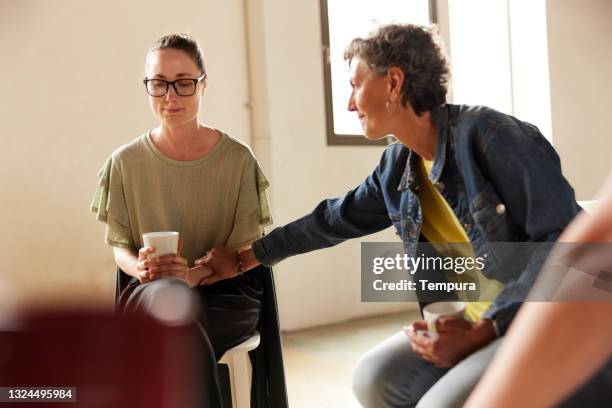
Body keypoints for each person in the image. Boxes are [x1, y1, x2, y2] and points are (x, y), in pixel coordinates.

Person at [197, 23, 580, 407]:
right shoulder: (399, 166)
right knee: (375, 379)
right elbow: (333, 219)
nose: (349, 104)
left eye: (355, 85)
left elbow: (566, 248)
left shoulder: (492, 136)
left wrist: (484, 329)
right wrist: (248, 256)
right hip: (468, 321)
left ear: (394, 83)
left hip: (539, 321)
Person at [90, 33, 273, 407]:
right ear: (148, 86)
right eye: (158, 84)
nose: (170, 96)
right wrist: (141, 269)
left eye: (184, 83)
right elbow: (119, 248)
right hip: (151, 292)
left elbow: (243, 251)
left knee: (174, 331)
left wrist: (190, 276)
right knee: (170, 313)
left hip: (225, 294)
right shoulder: (125, 163)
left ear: (203, 85)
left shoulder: (237, 160)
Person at [465, 171, 612, 408]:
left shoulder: (496, 139)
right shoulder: (397, 166)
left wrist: (490, 324)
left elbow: (594, 255)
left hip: (509, 318)